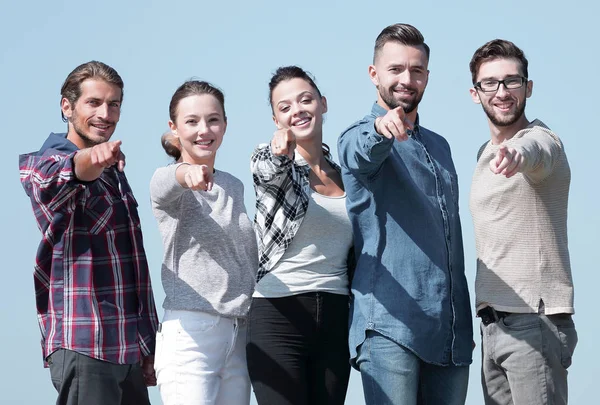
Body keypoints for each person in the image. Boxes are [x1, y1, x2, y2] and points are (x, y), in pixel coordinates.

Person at [337, 23, 473, 405]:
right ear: (374, 73)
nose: (406, 79)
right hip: (390, 326)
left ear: (427, 77)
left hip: (450, 332)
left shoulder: (440, 146)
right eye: (395, 69)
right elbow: (358, 152)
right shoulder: (359, 133)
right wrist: (382, 129)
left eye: (416, 70)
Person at [18, 61, 159, 405]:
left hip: (127, 349)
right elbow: (65, 173)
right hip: (84, 342)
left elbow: (131, 265)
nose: (105, 113)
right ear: (67, 106)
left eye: (113, 104)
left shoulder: (115, 171)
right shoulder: (46, 161)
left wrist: (148, 343)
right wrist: (91, 160)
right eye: (93, 103)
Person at [468, 39, 577, 405]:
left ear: (528, 88)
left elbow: (537, 152)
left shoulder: (542, 139)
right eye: (491, 83)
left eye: (512, 81)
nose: (502, 92)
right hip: (492, 326)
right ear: (475, 93)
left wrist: (517, 152)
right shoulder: (483, 156)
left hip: (535, 321)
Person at [246, 66, 352, 405]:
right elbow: (266, 169)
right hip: (278, 315)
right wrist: (281, 152)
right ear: (276, 119)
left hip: (335, 317)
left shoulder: (347, 175)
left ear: (323, 104)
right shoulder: (272, 160)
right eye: (285, 107)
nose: (298, 110)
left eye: (306, 100)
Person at [150, 80, 258, 405]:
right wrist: (188, 174)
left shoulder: (233, 185)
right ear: (174, 128)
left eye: (213, 119)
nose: (204, 129)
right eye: (192, 121)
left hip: (239, 334)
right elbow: (168, 181)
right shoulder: (168, 179)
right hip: (191, 333)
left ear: (225, 124)